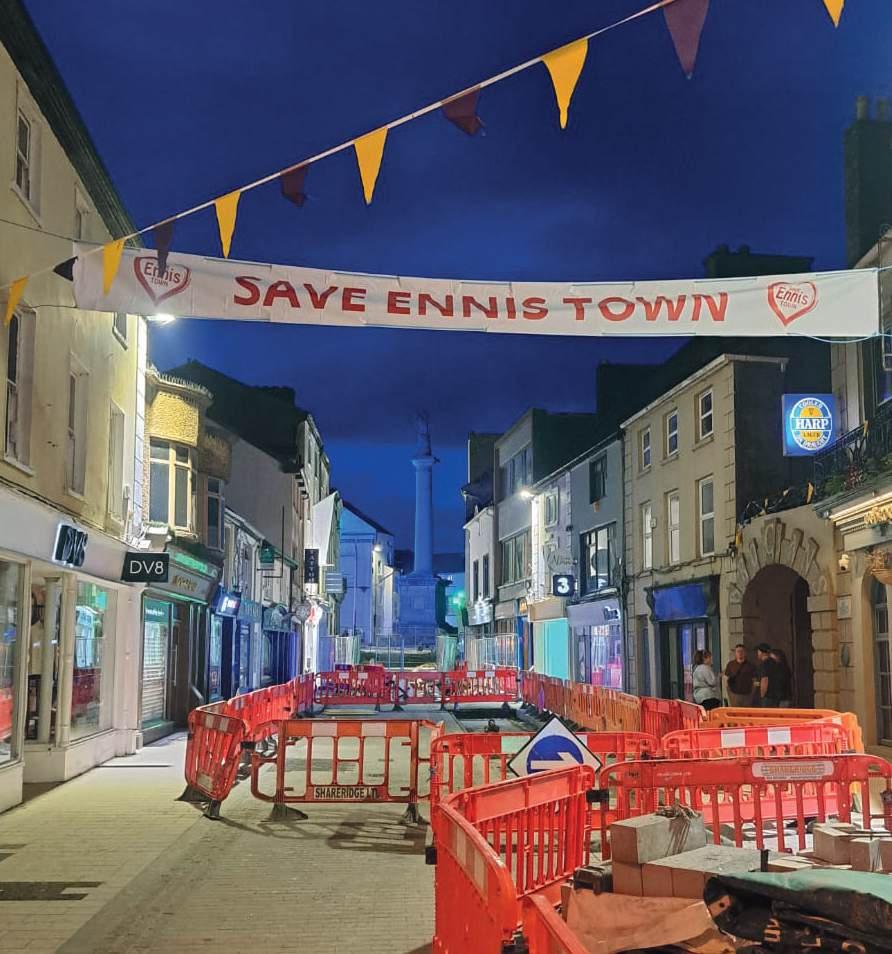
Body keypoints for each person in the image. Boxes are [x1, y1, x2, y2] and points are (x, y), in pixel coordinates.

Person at [724, 643, 757, 708]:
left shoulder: (751, 665)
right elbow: (726, 678)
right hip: (734, 694)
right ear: (735, 653)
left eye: (742, 651)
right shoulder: (730, 665)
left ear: (745, 653)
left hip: (747, 695)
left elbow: (755, 680)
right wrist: (729, 692)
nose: (740, 653)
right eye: (738, 651)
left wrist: (752, 692)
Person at [756, 643, 785, 708]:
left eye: (758, 651)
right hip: (776, 696)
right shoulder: (775, 663)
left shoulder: (764, 664)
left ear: (761, 652)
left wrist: (762, 696)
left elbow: (764, 680)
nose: (757, 653)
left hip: (767, 697)